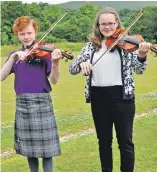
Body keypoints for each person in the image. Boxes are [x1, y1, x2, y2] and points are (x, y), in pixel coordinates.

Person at [69, 7, 151, 172]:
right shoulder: (90, 46)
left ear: (117, 24)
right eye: (103, 24)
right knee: (103, 141)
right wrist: (81, 64)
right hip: (98, 98)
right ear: (98, 26)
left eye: (111, 23)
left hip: (122, 97)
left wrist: (142, 55)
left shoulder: (127, 44)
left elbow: (139, 69)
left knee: (125, 141)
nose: (107, 27)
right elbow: (72, 68)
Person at [0, 16, 62, 172]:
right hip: (23, 104)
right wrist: (13, 57)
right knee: (30, 151)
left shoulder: (45, 54)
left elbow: (54, 80)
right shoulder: (16, 56)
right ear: (18, 35)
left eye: (29, 33)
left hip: (42, 102)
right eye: (22, 34)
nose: (26, 37)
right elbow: (1, 76)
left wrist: (55, 63)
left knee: (48, 152)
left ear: (35, 32)